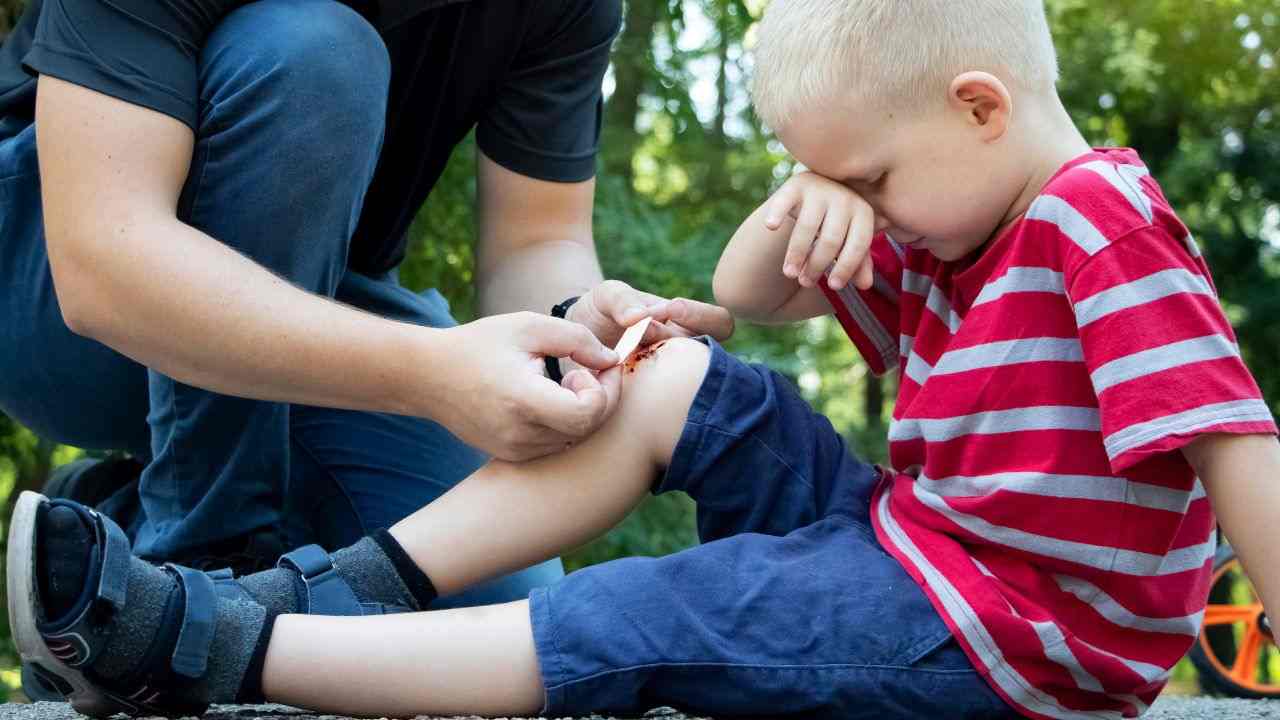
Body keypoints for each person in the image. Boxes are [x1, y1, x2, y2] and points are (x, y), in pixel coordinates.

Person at [9, 0, 1280, 717]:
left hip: (1006, 635)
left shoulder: (1090, 219)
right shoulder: (959, 222)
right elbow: (743, 302)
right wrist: (806, 203)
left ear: (977, 108)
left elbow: (1233, 437)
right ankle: (285, 578)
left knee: (645, 611)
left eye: (869, 179)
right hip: (60, 274)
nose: (863, 211)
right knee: (678, 373)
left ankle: (207, 644)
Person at [0, 0, 734, 604]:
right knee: (315, 53)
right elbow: (100, 263)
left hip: (321, 302)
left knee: (489, 587)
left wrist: (578, 328)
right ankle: (190, 570)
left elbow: (535, 242)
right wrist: (425, 373)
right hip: (51, 289)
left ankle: (105, 531)